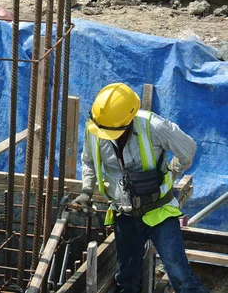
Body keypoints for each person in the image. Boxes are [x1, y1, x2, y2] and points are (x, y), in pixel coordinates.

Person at [72, 83, 208, 293]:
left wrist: (171, 173)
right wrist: (86, 191)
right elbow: (88, 161)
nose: (106, 134)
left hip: (159, 211)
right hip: (124, 213)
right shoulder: (96, 128)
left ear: (128, 121)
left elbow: (187, 149)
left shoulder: (153, 126)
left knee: (180, 275)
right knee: (127, 279)